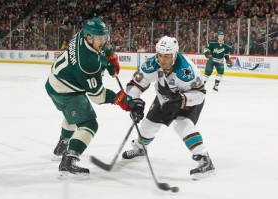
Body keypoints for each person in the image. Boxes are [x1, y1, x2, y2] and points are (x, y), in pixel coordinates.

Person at [45, 17, 139, 178]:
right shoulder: (88, 64)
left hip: (54, 84)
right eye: (100, 39)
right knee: (89, 123)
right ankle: (70, 159)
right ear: (89, 38)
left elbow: (98, 50)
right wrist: (123, 99)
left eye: (105, 37)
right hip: (67, 90)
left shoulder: (82, 34)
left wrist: (108, 56)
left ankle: (63, 143)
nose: (103, 41)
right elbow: (98, 96)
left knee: (73, 115)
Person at [121, 36, 215, 180]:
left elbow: (200, 94)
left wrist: (183, 99)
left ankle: (204, 158)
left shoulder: (186, 71)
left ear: (175, 54)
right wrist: (136, 102)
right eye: (160, 55)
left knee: (182, 124)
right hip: (164, 97)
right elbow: (135, 84)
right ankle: (141, 149)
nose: (162, 60)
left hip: (188, 98)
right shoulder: (151, 64)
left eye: (166, 56)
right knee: (148, 125)